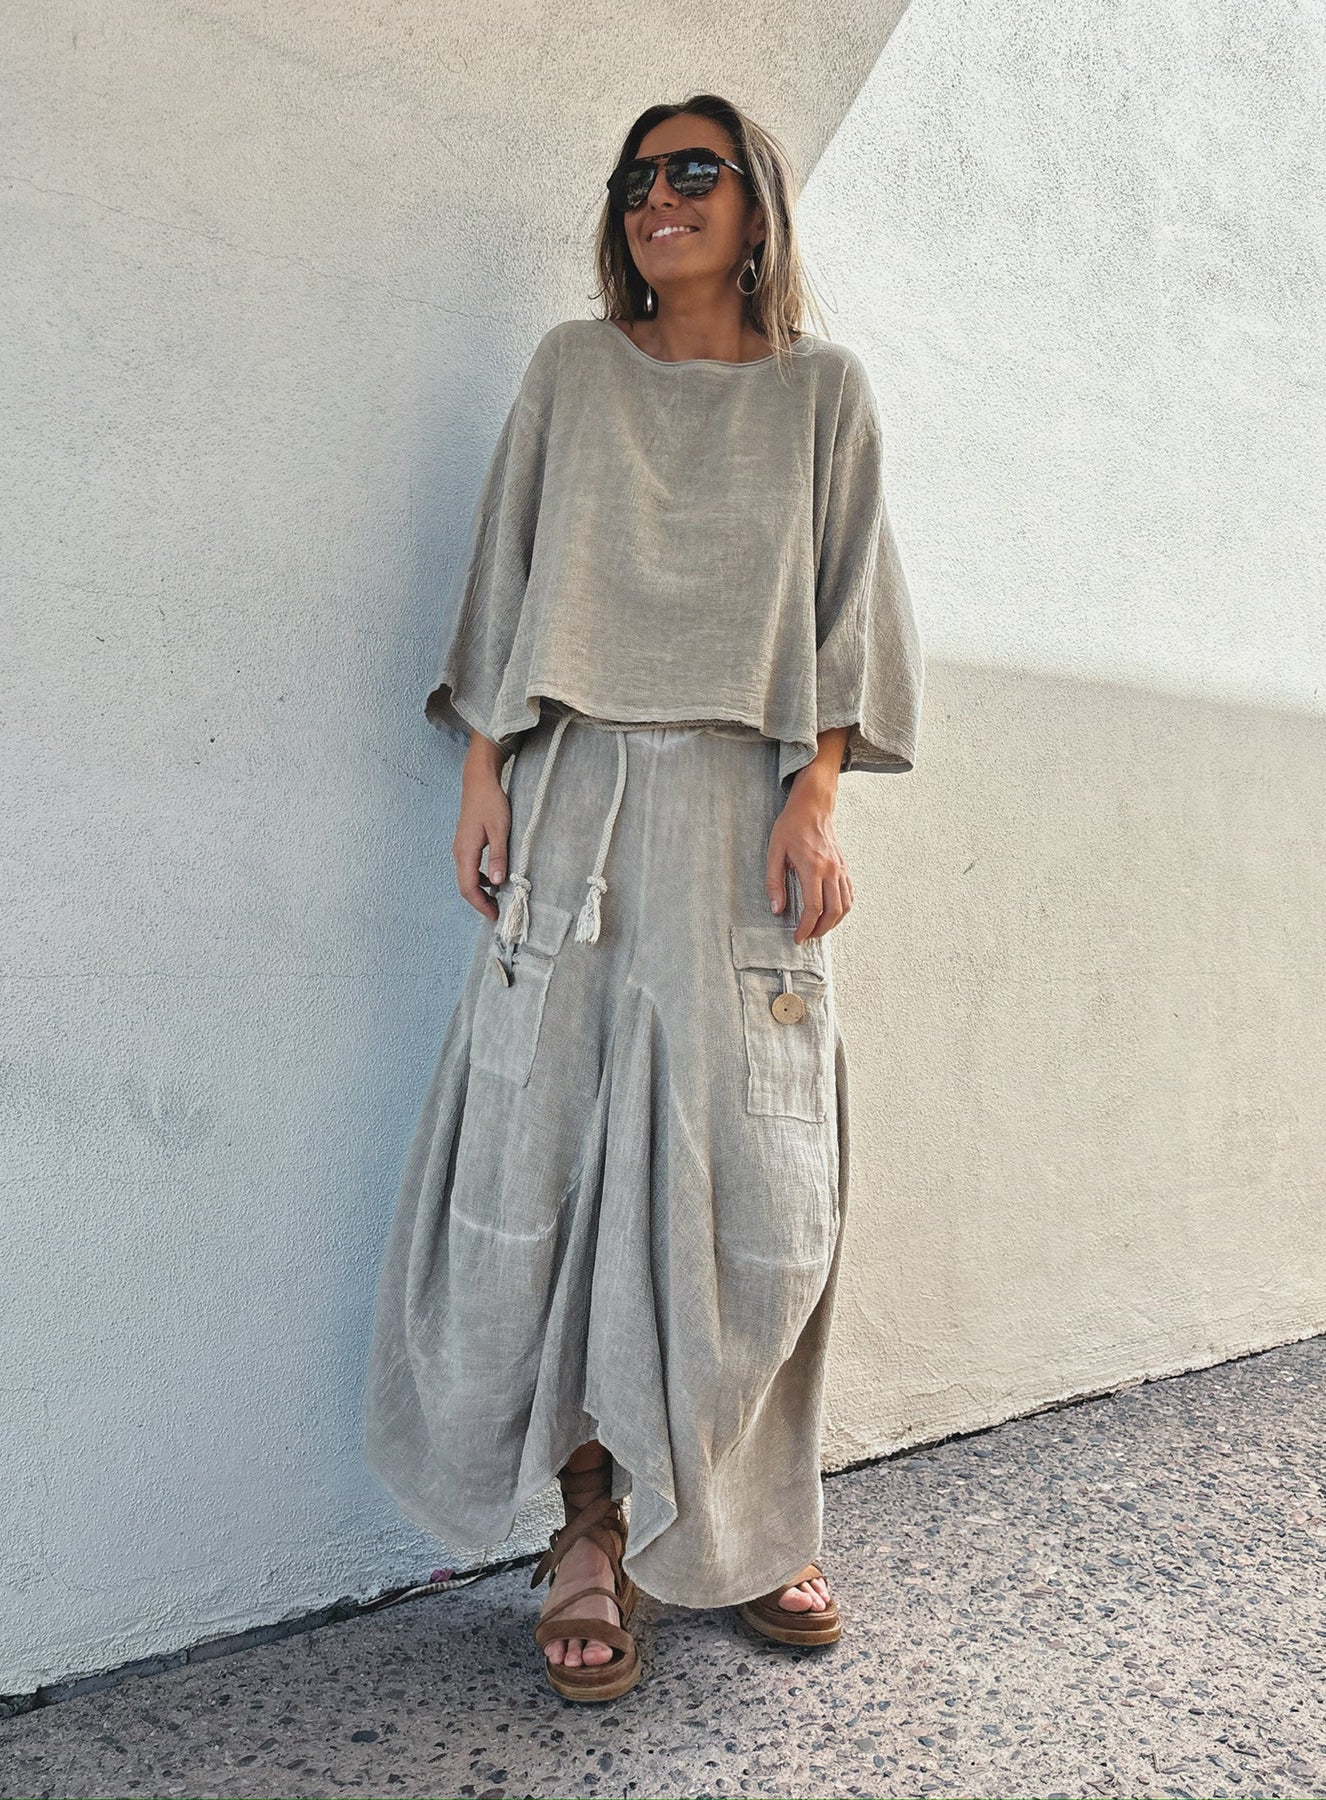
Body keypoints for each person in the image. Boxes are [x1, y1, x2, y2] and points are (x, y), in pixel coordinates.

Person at [364, 92, 924, 1703]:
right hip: (576, 794)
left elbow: (847, 610)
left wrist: (815, 795)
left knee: (756, 1184)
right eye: (635, 178)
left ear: (755, 207)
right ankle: (593, 1531)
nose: (657, 198)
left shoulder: (822, 392)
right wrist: (486, 771)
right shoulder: (572, 369)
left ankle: (743, 1522)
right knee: (546, 1154)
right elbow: (505, 574)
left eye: (693, 172)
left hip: (746, 811)